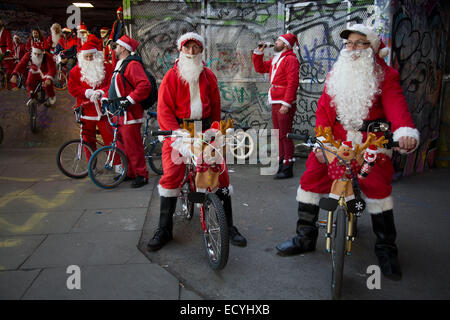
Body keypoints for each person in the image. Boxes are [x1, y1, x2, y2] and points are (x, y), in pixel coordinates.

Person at [275, 24, 420, 281]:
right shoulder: (336, 74)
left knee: (377, 186)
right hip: (335, 139)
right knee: (311, 178)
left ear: (372, 48)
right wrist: (322, 141)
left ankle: (386, 250)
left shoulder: (386, 75)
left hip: (370, 142)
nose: (352, 48)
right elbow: (323, 110)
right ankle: (305, 237)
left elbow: (396, 106)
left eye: (359, 43)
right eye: (349, 43)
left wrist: (405, 132)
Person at [146, 32, 247, 252]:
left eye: (196, 48)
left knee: (220, 173)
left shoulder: (209, 75)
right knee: (172, 175)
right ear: (180, 50)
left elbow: (216, 107)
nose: (191, 52)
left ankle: (228, 226)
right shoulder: (171, 77)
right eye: (187, 47)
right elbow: (164, 110)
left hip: (205, 129)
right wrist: (176, 136)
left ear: (201, 51)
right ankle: (164, 229)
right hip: (178, 131)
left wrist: (215, 132)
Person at [101, 35, 150, 188]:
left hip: (129, 114)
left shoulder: (132, 65)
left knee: (133, 146)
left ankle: (141, 175)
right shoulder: (121, 64)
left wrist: (129, 100)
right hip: (119, 113)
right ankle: (129, 172)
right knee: (123, 146)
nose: (113, 49)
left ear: (123, 48)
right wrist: (105, 96)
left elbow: (144, 86)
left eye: (116, 46)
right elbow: (115, 86)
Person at [253, 33, 300, 179]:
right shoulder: (277, 59)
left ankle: (288, 165)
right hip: (275, 100)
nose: (276, 42)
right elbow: (260, 68)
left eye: (279, 41)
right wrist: (259, 53)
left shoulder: (291, 60)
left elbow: (293, 83)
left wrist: (286, 103)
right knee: (278, 134)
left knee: (285, 134)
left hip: (283, 102)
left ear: (285, 45)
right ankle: (281, 161)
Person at [68, 41, 114, 157]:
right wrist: (86, 92)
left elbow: (112, 84)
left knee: (110, 138)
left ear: (97, 55)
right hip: (86, 111)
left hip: (104, 111)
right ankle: (91, 165)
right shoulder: (75, 71)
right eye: (86, 56)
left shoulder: (107, 67)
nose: (89, 59)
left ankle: (117, 163)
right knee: (88, 141)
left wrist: (102, 91)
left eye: (91, 56)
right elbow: (72, 87)